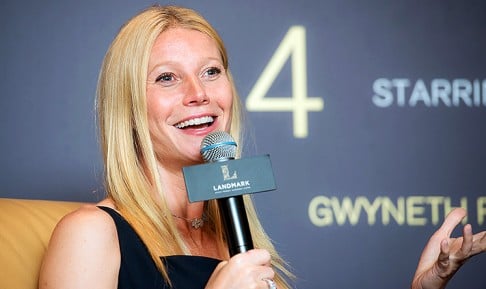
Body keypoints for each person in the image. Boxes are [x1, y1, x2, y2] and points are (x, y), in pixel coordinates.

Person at [38, 5, 485, 289]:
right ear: (129, 106)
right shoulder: (91, 233)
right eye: (167, 77)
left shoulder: (234, 235)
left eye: (211, 72)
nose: (199, 93)